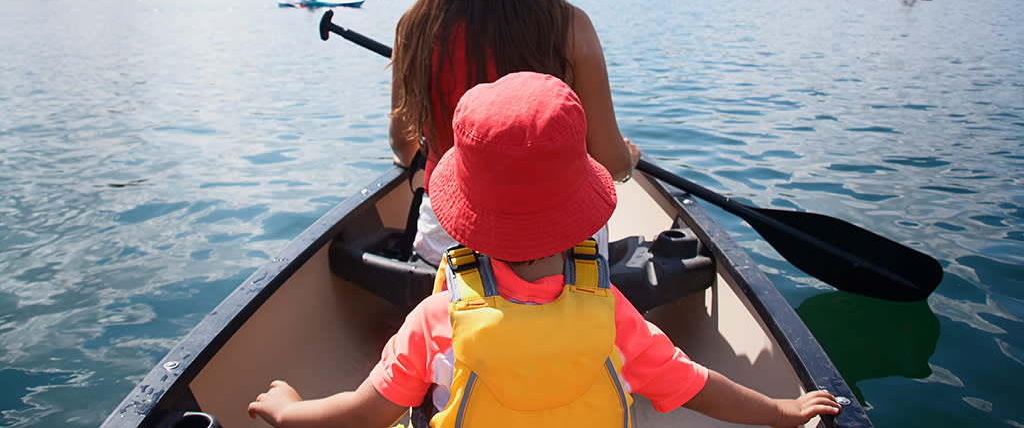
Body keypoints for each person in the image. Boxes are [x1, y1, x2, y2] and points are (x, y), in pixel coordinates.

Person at [248, 72, 842, 427]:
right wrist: (778, 410)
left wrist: (288, 409)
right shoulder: (610, 311)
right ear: (579, 214)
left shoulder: (436, 320)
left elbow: (359, 414)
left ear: (465, 222)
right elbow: (692, 384)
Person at [387, 0, 640, 265]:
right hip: (559, 252)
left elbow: (403, 146)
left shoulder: (413, 27)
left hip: (450, 242)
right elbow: (609, 162)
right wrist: (629, 161)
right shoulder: (570, 28)